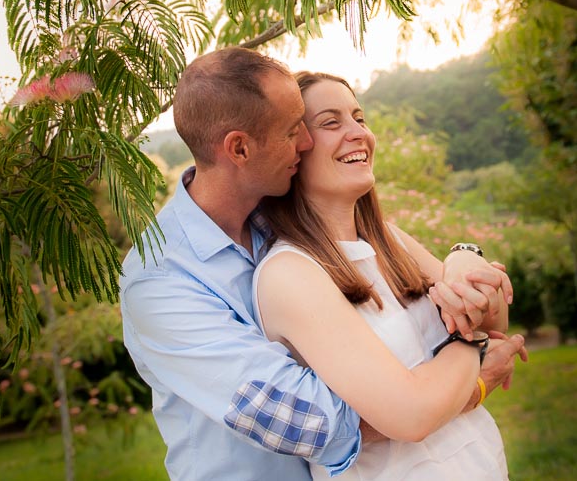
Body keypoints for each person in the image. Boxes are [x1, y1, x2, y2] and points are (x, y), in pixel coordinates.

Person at [119, 46, 526, 481]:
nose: (306, 142)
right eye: (294, 129)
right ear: (239, 149)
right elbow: (315, 421)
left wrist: (464, 257)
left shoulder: (284, 220)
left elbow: (478, 310)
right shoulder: (161, 283)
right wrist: (470, 373)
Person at [254, 71, 528, 480]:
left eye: (359, 118)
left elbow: (495, 321)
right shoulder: (289, 272)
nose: (358, 134)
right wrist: (470, 343)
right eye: (331, 122)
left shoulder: (389, 239)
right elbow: (412, 416)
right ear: (293, 149)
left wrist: (463, 259)